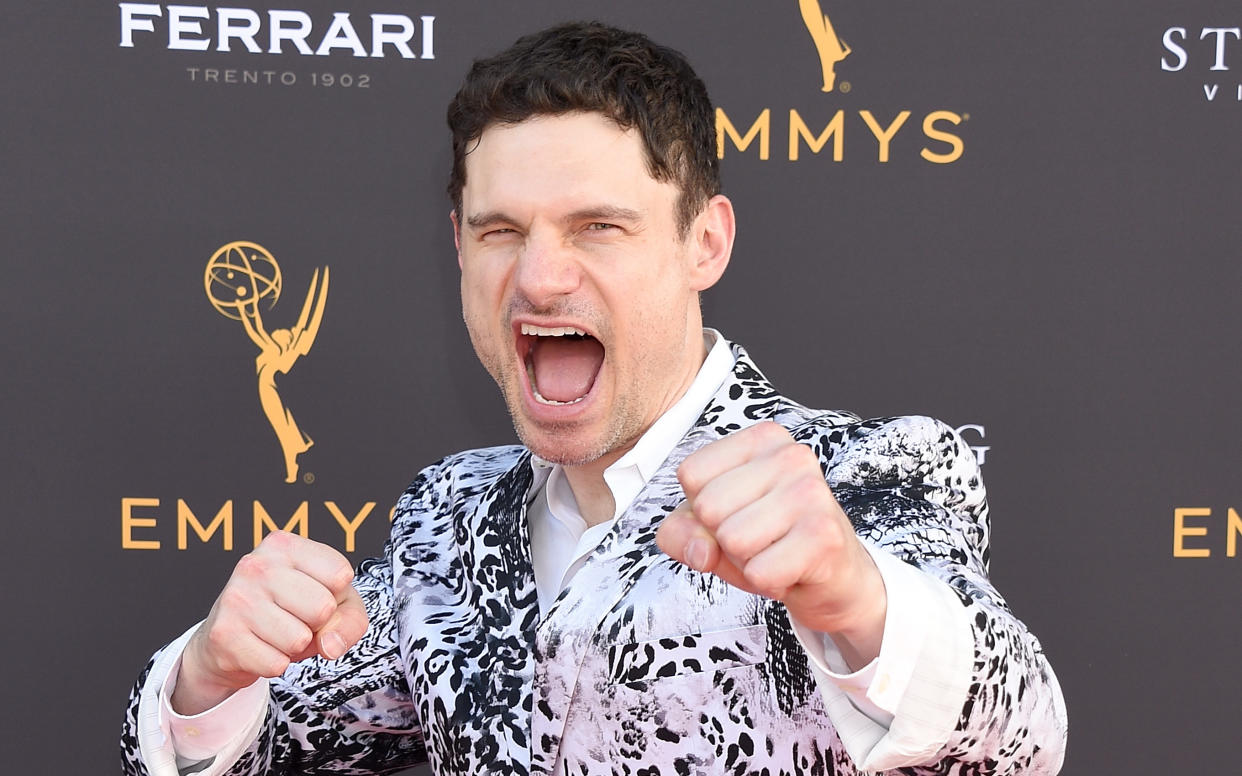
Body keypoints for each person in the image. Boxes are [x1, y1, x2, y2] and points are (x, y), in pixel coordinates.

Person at [121, 21, 1067, 776]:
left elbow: (1019, 734)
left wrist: (854, 596)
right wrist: (210, 673)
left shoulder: (868, 472)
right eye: (500, 231)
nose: (537, 277)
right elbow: (269, 750)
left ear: (705, 242)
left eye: (598, 227)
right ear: (459, 246)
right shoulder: (446, 523)